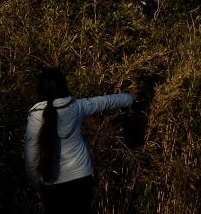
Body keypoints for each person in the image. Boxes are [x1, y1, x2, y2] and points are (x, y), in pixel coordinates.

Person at [24, 68, 133, 214]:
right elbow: (105, 102)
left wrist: (35, 182)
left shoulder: (35, 116)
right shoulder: (76, 107)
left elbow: (31, 156)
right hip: (81, 178)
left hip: (51, 185)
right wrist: (130, 98)